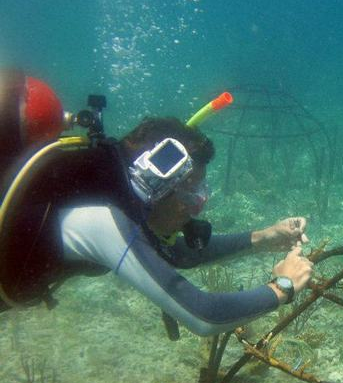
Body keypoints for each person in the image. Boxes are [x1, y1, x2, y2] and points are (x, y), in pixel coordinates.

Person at [0, 115, 313, 337]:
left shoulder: (111, 197)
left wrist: (265, 237)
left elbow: (177, 254)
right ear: (151, 182)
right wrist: (281, 287)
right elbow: (202, 315)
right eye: (190, 190)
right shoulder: (98, 218)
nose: (196, 205)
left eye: (201, 192)